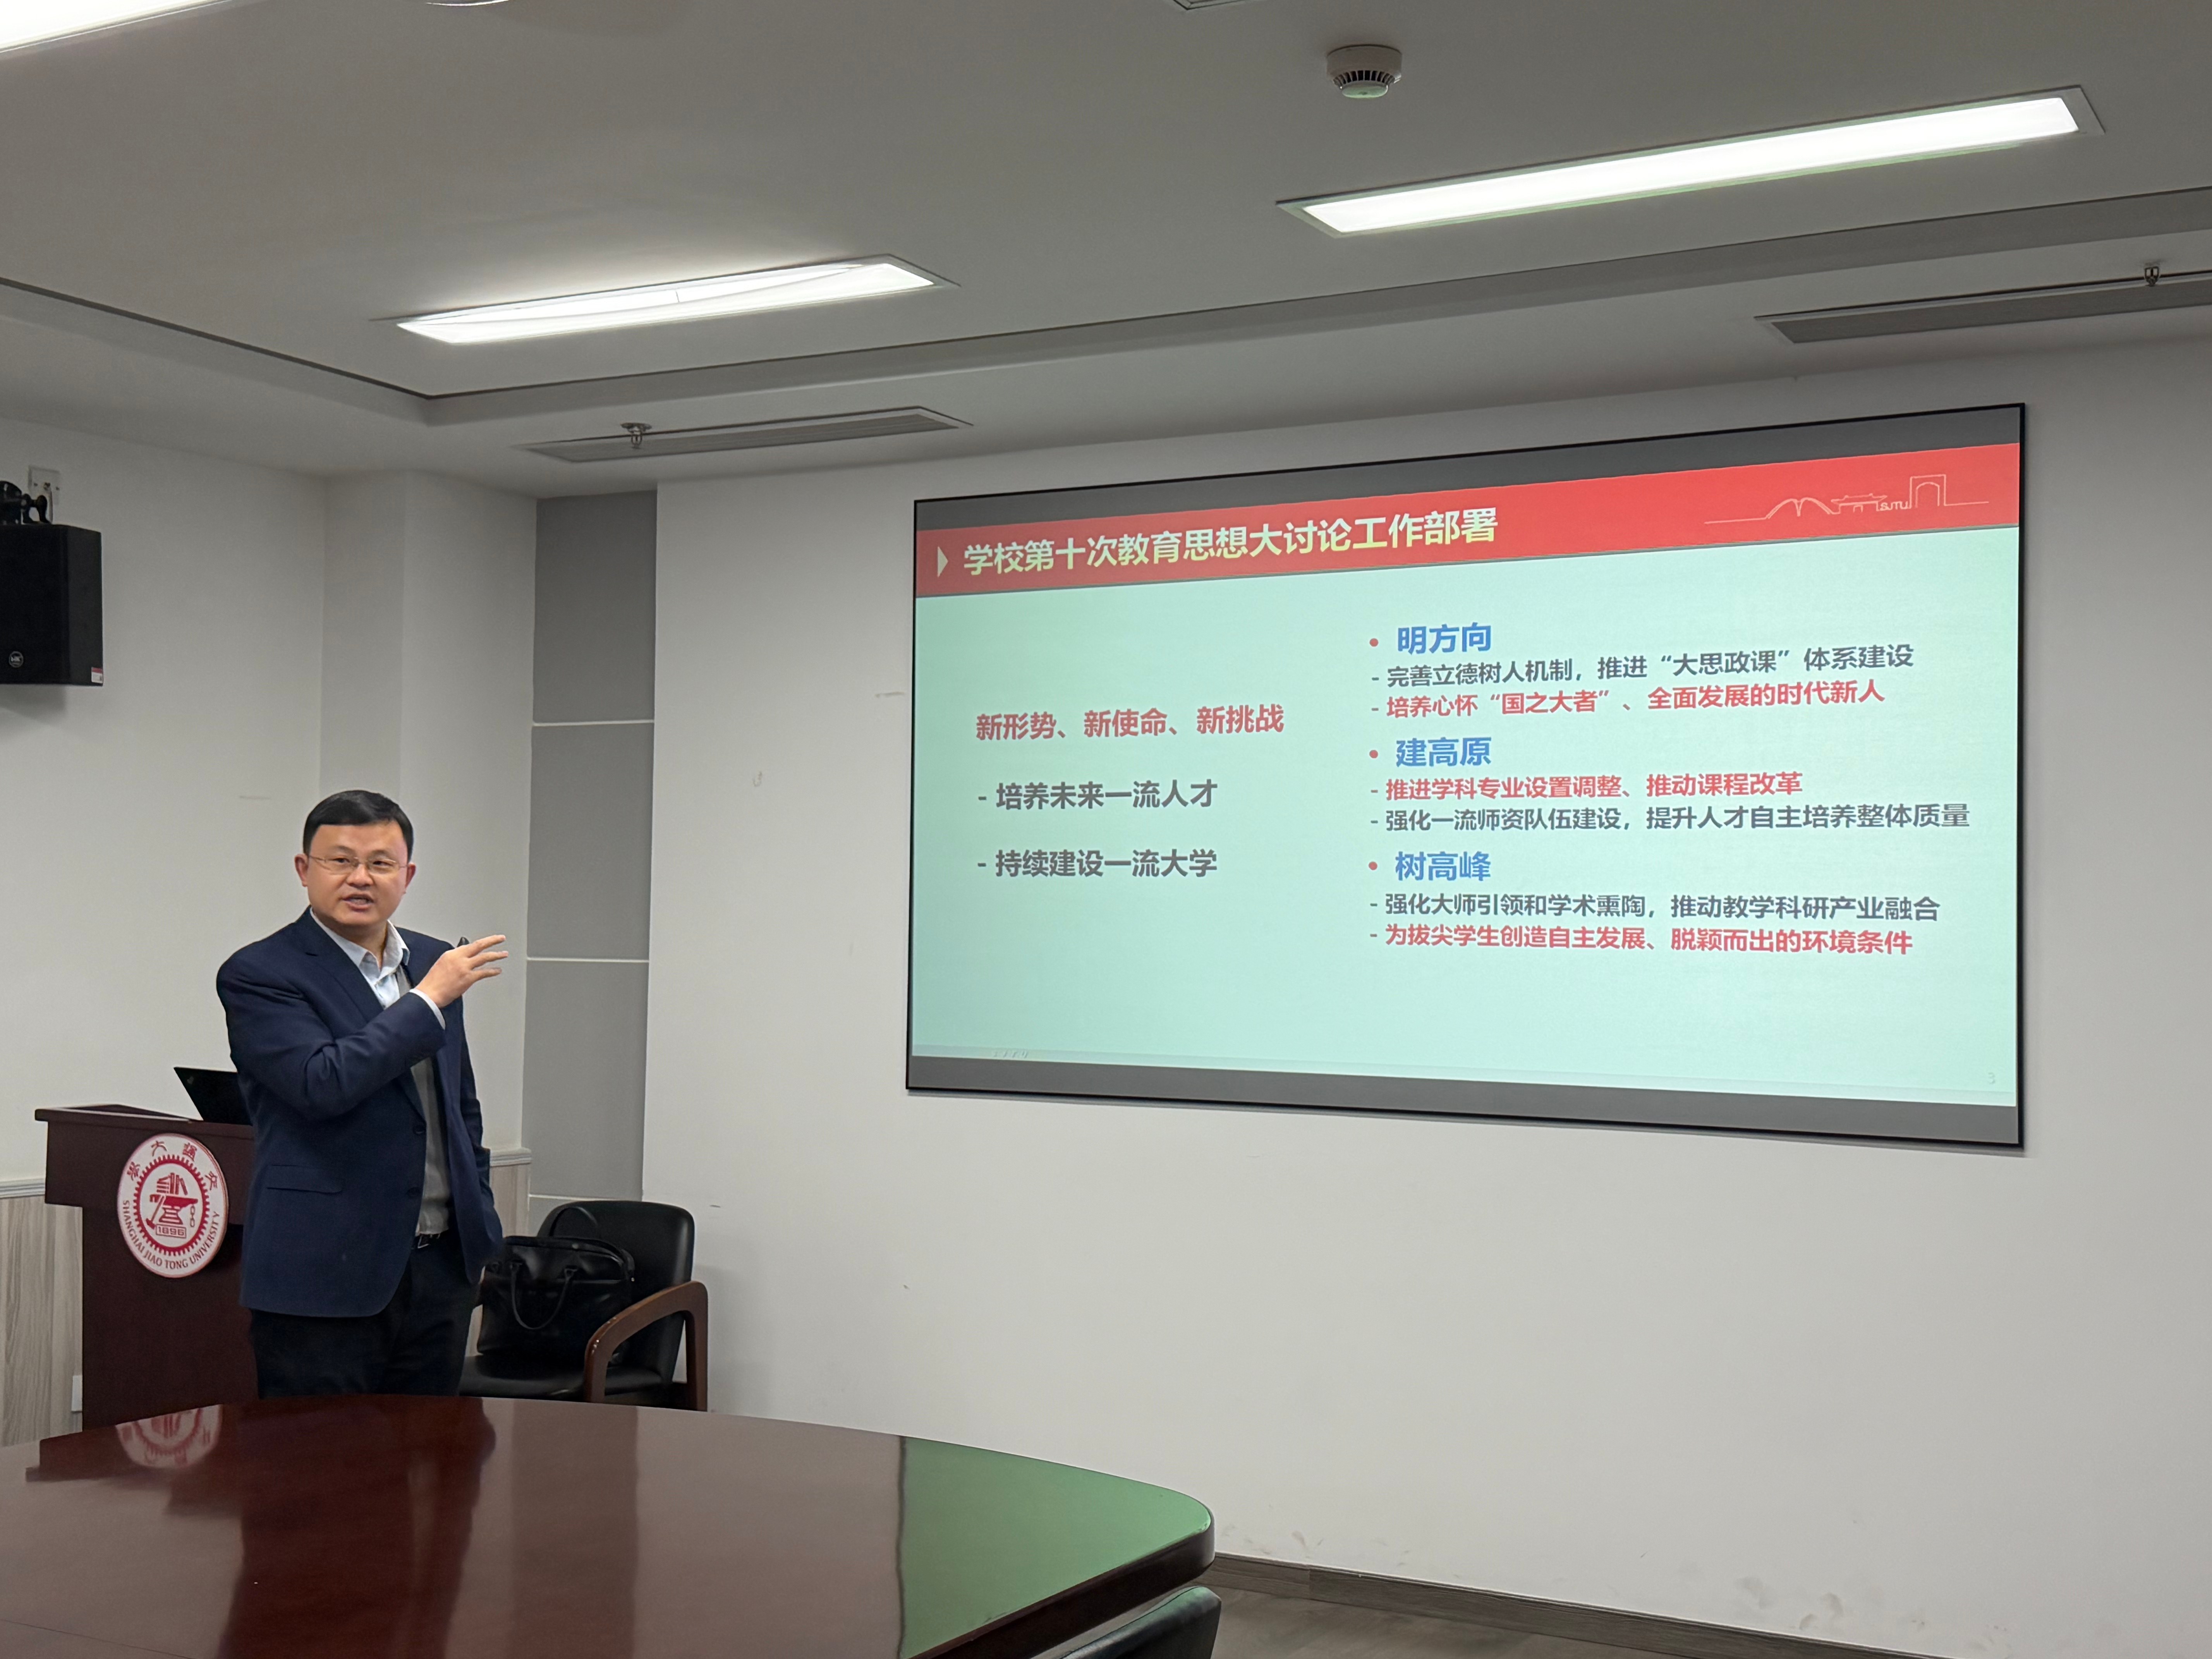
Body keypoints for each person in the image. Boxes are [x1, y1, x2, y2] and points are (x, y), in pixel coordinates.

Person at [216, 789, 510, 1397]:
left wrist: (478, 1215)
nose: (360, 878)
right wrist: (427, 1000)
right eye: (340, 861)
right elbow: (321, 1083)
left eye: (380, 863)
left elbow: (459, 1106)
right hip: (322, 1272)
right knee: (320, 1453)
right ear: (304, 870)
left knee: (432, 1453)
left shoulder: (432, 959)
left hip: (440, 1270)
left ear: (408, 876)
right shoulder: (261, 972)